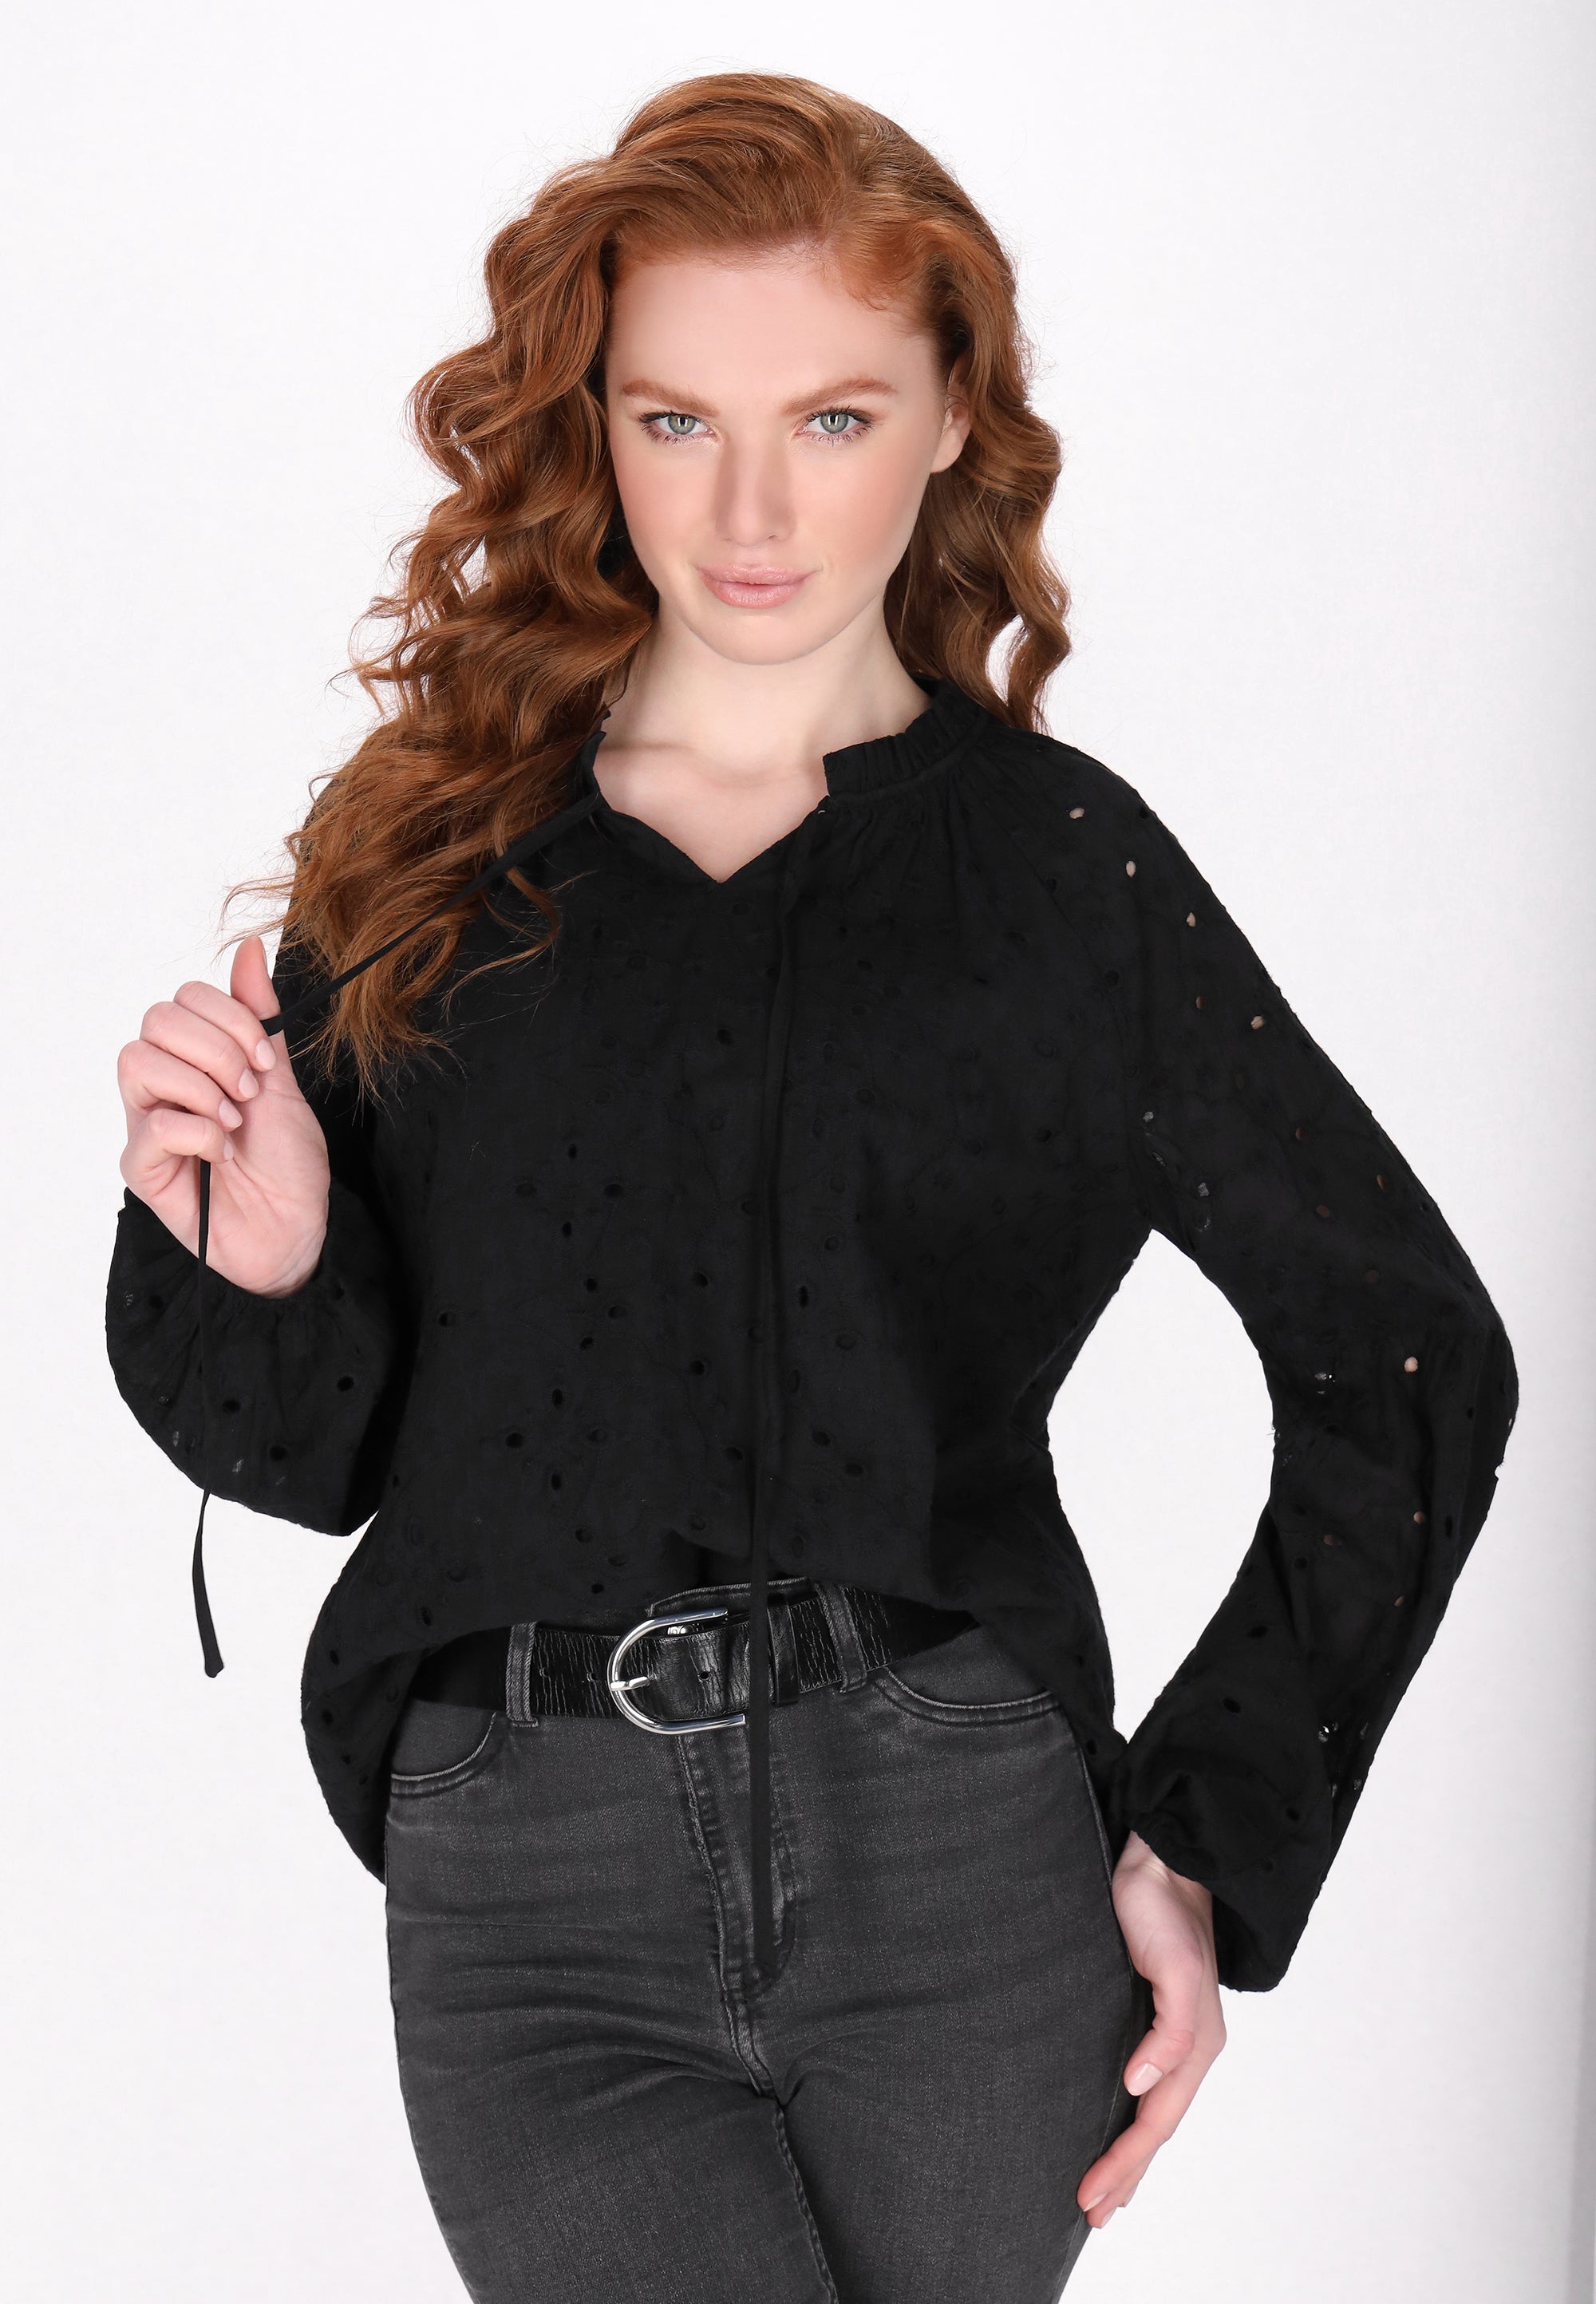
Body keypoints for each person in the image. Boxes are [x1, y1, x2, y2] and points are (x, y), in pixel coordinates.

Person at [105, 70, 1518, 2304]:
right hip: (529, 1883)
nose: (750, 509)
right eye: (675, 420)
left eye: (833, 419)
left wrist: (1210, 1837)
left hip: (959, 1851)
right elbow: (304, 1456)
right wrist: (270, 1265)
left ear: (953, 418)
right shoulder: (438, 840)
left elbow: (1409, 1352)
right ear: (595, 424)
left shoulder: (1060, 874)